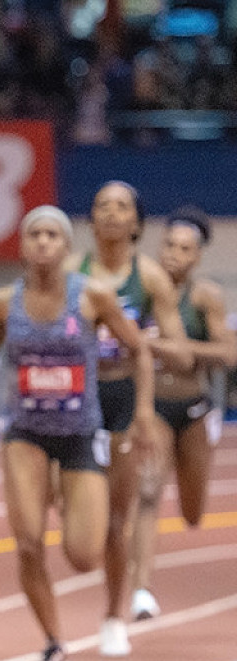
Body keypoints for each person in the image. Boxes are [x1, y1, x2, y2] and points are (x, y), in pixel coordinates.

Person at [0, 206, 155, 661]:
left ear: (66, 246)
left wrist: (142, 411)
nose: (42, 242)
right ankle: (54, 642)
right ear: (22, 246)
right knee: (28, 541)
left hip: (80, 434)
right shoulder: (4, 302)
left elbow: (139, 350)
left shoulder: (93, 296)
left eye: (52, 235)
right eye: (34, 234)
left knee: (84, 556)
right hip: (26, 433)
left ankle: (65, 493)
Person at [64, 181, 192, 657]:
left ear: (136, 222)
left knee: (118, 517)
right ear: (91, 217)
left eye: (122, 207)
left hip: (123, 398)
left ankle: (113, 616)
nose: (112, 213)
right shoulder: (70, 271)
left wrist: (137, 340)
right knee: (73, 510)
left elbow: (181, 354)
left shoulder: (151, 278)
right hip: (76, 397)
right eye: (102, 205)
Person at [131, 207, 237, 619]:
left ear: (197, 256)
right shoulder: (142, 291)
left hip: (193, 409)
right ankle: (141, 591)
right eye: (169, 245)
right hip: (152, 405)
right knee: (148, 490)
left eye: (184, 249)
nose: (174, 254)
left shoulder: (204, 297)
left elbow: (229, 353)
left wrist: (171, 348)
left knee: (193, 513)